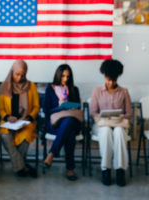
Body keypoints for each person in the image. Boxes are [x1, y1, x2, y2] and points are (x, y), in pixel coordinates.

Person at [90, 59, 132, 187]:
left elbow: (129, 114)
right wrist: (108, 120)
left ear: (117, 78)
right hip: (102, 125)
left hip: (119, 124)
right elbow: (93, 112)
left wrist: (118, 118)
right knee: (106, 131)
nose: (111, 82)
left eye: (114, 80)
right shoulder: (97, 91)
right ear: (104, 76)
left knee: (119, 132)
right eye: (108, 79)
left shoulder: (124, 92)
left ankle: (120, 170)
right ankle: (106, 170)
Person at [0, 60, 39, 177]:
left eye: (22, 75)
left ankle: (19, 166)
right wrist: (7, 117)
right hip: (8, 122)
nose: (19, 77)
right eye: (17, 74)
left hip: (25, 122)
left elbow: (36, 107)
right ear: (12, 72)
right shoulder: (4, 87)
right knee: (5, 136)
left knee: (26, 136)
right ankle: (23, 166)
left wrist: (29, 117)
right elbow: (1, 109)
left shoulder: (31, 86)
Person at [43, 64, 81, 181]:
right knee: (69, 133)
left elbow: (78, 108)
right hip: (55, 123)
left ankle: (52, 153)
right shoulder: (50, 89)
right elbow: (46, 111)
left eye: (68, 77)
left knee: (69, 121)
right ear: (58, 75)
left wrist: (68, 106)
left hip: (72, 120)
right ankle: (70, 169)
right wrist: (59, 107)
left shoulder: (74, 89)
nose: (65, 79)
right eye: (63, 76)